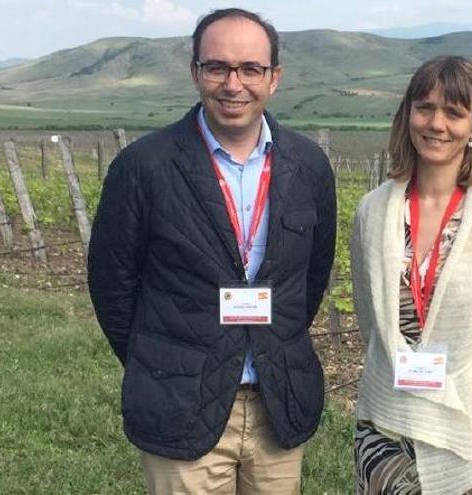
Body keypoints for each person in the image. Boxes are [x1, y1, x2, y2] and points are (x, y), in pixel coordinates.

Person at [87, 8, 336, 494]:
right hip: (179, 402)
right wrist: (163, 361)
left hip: (276, 403)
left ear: (274, 78)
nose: (233, 84)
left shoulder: (308, 165)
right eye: (216, 67)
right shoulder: (143, 167)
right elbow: (112, 287)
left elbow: (309, 281)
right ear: (195, 72)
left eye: (250, 69)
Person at [349, 55, 472, 495]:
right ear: (407, 115)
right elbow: (371, 321)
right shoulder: (373, 211)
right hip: (389, 433)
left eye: (454, 112)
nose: (436, 123)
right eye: (425, 108)